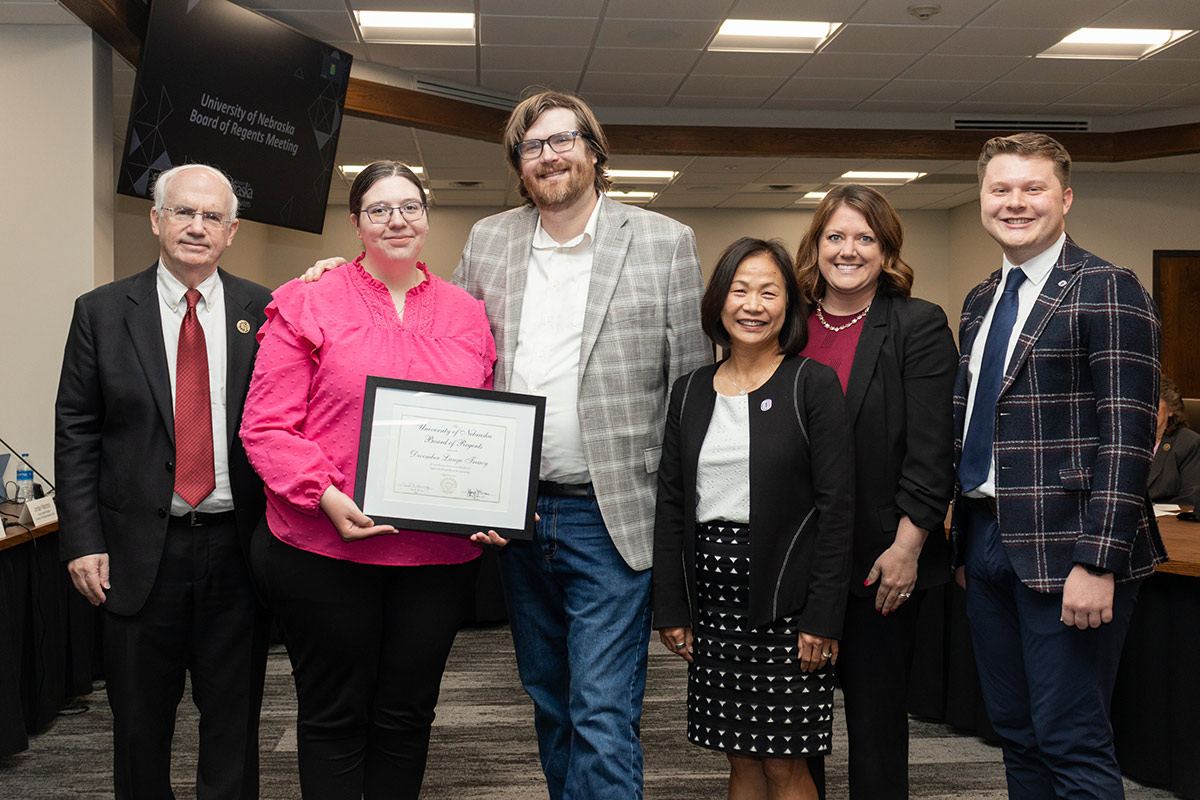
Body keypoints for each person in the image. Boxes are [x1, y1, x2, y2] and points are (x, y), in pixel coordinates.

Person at [304, 91, 710, 798]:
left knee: (603, 711)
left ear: (594, 149)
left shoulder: (664, 241)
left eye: (562, 140)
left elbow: (690, 391)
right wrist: (339, 278)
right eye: (532, 146)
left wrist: (683, 533)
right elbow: (432, 333)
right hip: (511, 518)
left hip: (611, 515)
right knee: (551, 704)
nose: (549, 155)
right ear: (518, 166)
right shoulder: (490, 241)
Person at [239, 161, 496, 799]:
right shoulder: (307, 300)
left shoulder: (468, 314)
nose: (397, 220)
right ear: (355, 223)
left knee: (407, 717)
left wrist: (491, 497)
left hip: (434, 556)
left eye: (409, 206)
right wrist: (325, 496)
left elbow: (485, 429)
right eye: (378, 209)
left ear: (427, 216)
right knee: (333, 718)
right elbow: (266, 427)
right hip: (326, 549)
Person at [951, 132, 1166, 799]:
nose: (1016, 202)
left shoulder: (1108, 287)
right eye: (1001, 189)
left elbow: (1128, 439)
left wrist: (1098, 562)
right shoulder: (982, 300)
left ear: (1065, 197)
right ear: (983, 198)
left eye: (1033, 188)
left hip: (1073, 550)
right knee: (1017, 733)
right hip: (987, 540)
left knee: (1071, 738)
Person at [55, 163, 271, 800]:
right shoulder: (99, 313)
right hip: (136, 553)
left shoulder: (266, 310)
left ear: (231, 232)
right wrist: (81, 538)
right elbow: (77, 432)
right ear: (156, 220)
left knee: (234, 723)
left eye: (212, 217)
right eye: (183, 212)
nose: (196, 227)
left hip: (239, 551)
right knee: (139, 727)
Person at [652, 237, 853, 800]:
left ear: (788, 306)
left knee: (787, 765)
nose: (753, 305)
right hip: (714, 607)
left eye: (770, 292)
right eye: (740, 290)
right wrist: (672, 605)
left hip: (788, 606)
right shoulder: (690, 390)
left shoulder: (810, 384)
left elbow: (837, 510)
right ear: (718, 300)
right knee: (739, 760)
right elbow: (672, 505)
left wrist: (823, 618)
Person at [793, 184, 957, 799]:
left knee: (876, 728)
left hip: (881, 565)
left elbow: (932, 448)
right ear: (817, 246)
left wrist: (909, 547)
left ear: (887, 252)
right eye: (836, 236)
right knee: (792, 733)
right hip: (798, 564)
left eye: (866, 238)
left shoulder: (918, 324)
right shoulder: (790, 324)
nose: (849, 250)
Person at [1149, 375, 1200, 504]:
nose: (1147, 409)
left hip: (1168, 521)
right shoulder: (1125, 442)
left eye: (1153, 402)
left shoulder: (1189, 444)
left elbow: (1191, 498)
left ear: (1171, 408)